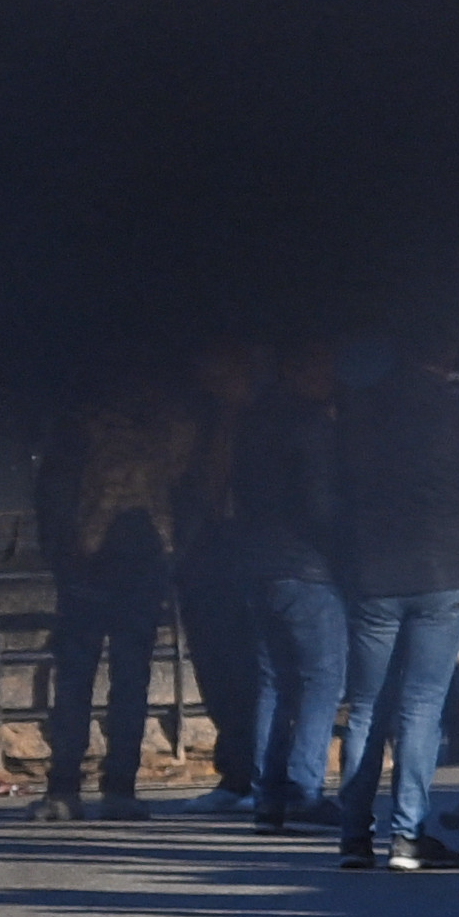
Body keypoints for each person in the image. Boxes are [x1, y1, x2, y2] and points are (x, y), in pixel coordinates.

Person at [332, 319, 459, 870]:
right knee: (422, 704)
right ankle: (407, 834)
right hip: (447, 568)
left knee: (365, 706)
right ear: (447, 357)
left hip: (375, 569)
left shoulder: (360, 415)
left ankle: (354, 835)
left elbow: (338, 488)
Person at [32, 363, 192, 815]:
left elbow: (53, 499)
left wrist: (61, 556)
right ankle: (120, 788)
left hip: (87, 569)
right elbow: (181, 496)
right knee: (131, 680)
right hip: (142, 568)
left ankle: (64, 788)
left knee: (74, 680)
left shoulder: (77, 432)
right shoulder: (163, 433)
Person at [232, 337, 350, 831]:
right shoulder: (311, 425)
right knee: (322, 679)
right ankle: (303, 786)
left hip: (255, 562)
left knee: (274, 681)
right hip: (306, 566)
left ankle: (267, 794)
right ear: (300, 370)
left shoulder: (250, 422)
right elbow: (321, 505)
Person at [172, 342, 261, 805]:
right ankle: (236, 769)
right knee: (217, 665)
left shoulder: (265, 421)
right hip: (206, 555)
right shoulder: (199, 423)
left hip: (252, 553)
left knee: (253, 669)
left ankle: (257, 769)